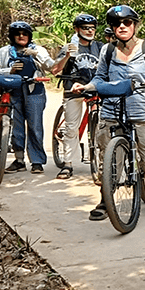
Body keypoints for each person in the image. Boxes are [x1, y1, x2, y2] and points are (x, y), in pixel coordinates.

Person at [73, 5, 145, 219]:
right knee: (108, 159)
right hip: (112, 110)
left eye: (127, 22)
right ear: (112, 28)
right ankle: (106, 199)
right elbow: (100, 78)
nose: (122, 26)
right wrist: (86, 87)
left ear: (134, 25)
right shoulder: (107, 50)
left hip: (144, 111)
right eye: (117, 23)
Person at [0, 21, 55, 174]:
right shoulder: (4, 51)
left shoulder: (38, 49)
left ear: (29, 36)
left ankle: (37, 161)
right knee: (16, 126)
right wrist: (9, 70)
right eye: (17, 34)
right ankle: (19, 160)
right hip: (13, 90)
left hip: (34, 90)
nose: (21, 36)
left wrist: (37, 55)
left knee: (35, 126)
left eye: (24, 34)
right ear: (12, 36)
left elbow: (51, 67)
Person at [50, 14, 104, 181]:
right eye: (85, 28)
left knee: (102, 126)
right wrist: (66, 55)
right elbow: (55, 70)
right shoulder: (69, 47)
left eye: (92, 28)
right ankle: (68, 164)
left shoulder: (101, 47)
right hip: (73, 90)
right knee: (72, 128)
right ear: (77, 29)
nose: (89, 31)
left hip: (94, 89)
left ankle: (101, 163)